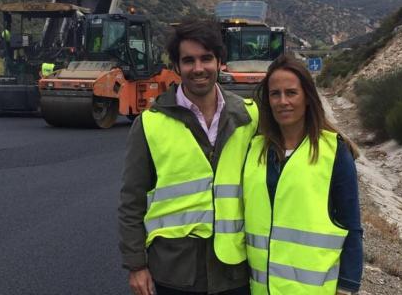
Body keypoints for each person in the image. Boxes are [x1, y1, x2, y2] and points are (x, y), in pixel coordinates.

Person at [118, 19, 259, 295]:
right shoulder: (150, 123)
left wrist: (337, 139)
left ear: (220, 61)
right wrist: (136, 265)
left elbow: (292, 138)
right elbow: (131, 201)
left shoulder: (249, 116)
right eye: (188, 60)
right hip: (175, 273)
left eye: (206, 58)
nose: (198, 69)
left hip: (235, 270)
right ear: (176, 67)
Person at [242, 55, 362, 295]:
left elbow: (352, 226)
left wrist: (347, 287)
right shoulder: (255, 149)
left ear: (307, 97)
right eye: (275, 94)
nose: (282, 101)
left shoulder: (333, 151)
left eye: (291, 93)